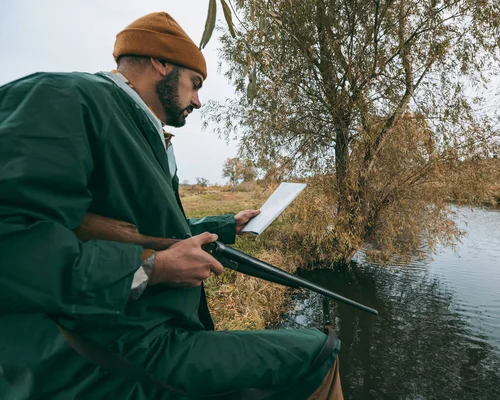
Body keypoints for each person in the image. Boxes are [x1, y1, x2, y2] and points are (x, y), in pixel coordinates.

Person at [0, 11, 343, 399]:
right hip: (112, 353)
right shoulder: (65, 98)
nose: (198, 100)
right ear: (160, 63)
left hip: (154, 333)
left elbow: (141, 225)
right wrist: (154, 269)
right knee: (321, 351)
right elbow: (12, 250)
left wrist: (228, 225)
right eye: (194, 83)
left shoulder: (140, 128)